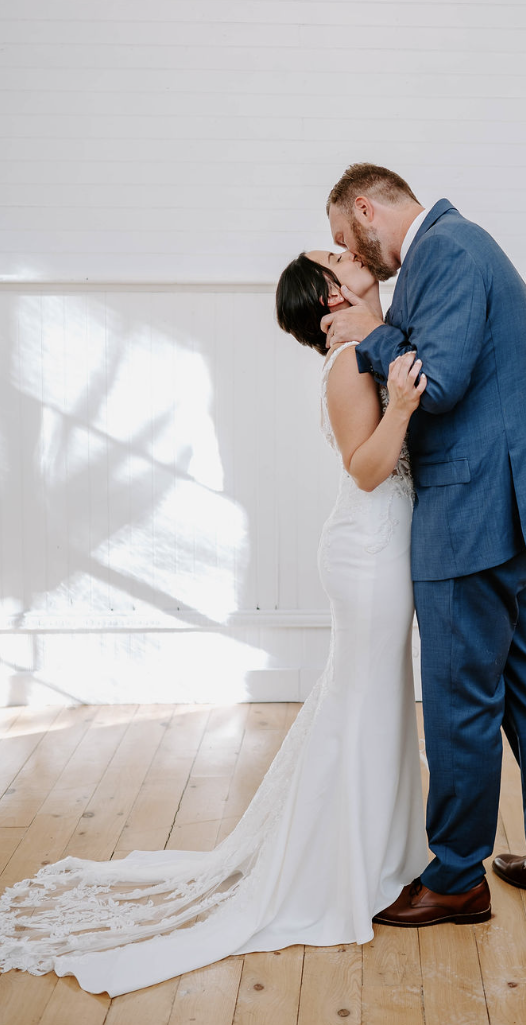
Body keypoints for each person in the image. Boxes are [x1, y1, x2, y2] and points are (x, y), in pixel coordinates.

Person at [0, 249, 430, 995]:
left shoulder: (367, 346)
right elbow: (364, 466)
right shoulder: (349, 360)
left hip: (381, 548)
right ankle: (340, 870)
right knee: (362, 704)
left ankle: (381, 856)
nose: (350, 257)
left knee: (375, 702)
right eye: (335, 258)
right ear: (328, 296)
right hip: (367, 553)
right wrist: (400, 409)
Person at [321, 162, 526, 925]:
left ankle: (456, 877)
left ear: (368, 209)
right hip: (516, 513)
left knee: (460, 704)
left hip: (472, 514)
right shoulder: (465, 245)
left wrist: (370, 333)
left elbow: (434, 382)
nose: (353, 255)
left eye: (348, 238)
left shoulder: (444, 250)